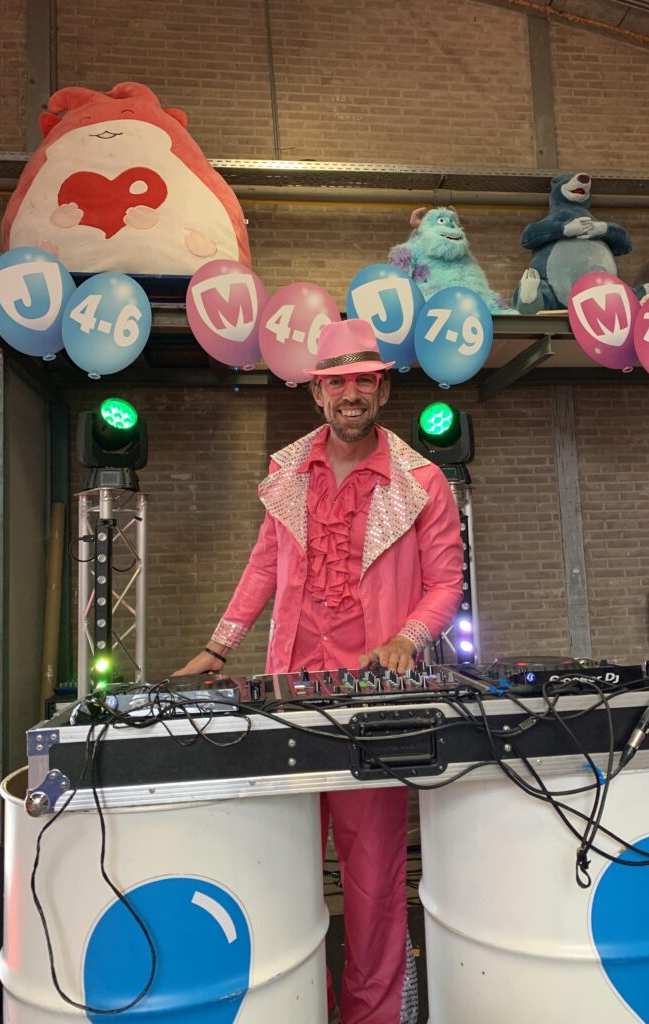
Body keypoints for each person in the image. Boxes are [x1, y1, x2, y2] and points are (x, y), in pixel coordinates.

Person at [176, 318, 464, 1024]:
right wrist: (219, 646)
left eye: (363, 380)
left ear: (383, 389)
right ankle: (299, 1007)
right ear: (317, 393)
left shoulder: (422, 482)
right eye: (337, 382)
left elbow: (444, 584)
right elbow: (264, 567)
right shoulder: (286, 475)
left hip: (373, 703)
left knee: (372, 883)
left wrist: (407, 637)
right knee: (284, 870)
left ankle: (373, 1016)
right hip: (289, 697)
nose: (350, 393)